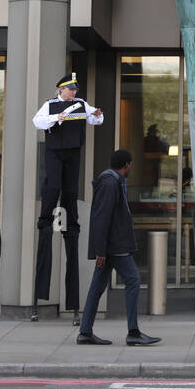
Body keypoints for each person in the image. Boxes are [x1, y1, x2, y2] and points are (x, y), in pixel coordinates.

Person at [31, 73, 104, 312]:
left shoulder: (81, 104)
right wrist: (57, 117)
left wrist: (97, 114)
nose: (74, 92)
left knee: (70, 192)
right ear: (61, 89)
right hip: (54, 152)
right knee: (52, 186)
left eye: (75, 88)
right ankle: (47, 217)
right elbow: (38, 122)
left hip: (72, 152)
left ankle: (69, 218)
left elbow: (95, 119)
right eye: (70, 88)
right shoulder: (49, 105)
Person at [78, 149, 159, 347]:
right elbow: (101, 217)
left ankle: (85, 332)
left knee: (97, 287)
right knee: (133, 280)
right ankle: (133, 332)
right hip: (114, 246)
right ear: (126, 165)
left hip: (110, 246)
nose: (131, 167)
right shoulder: (110, 183)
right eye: (130, 164)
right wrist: (100, 250)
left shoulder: (113, 181)